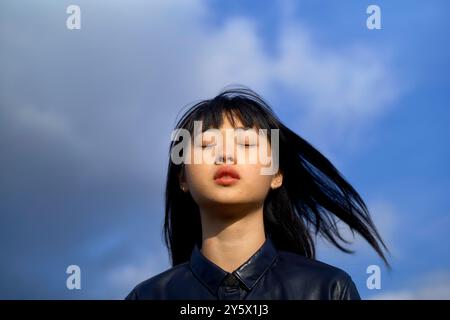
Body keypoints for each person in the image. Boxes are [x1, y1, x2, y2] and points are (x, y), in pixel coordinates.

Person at [125, 87, 389, 300]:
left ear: (276, 174)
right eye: (206, 144)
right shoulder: (147, 296)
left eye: (247, 143)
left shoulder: (328, 290)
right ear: (182, 178)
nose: (225, 155)